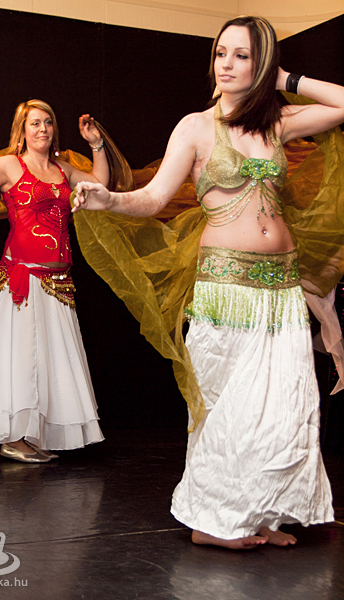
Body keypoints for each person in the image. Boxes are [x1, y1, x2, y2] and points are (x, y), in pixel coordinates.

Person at [71, 16, 344, 548]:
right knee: (229, 409)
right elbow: (153, 198)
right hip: (226, 289)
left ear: (261, 64)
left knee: (282, 408)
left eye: (243, 55)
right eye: (221, 52)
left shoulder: (276, 124)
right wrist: (108, 199)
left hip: (281, 290)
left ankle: (260, 513)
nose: (227, 64)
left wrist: (285, 79)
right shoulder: (195, 127)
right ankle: (210, 523)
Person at [0, 99, 110, 463]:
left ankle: (33, 435)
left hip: (58, 280)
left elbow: (100, 185)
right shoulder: (9, 166)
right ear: (22, 131)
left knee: (49, 362)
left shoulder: (62, 170)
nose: (42, 129)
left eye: (48, 122)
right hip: (24, 279)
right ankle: (14, 437)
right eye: (34, 123)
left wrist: (96, 144)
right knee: (22, 358)